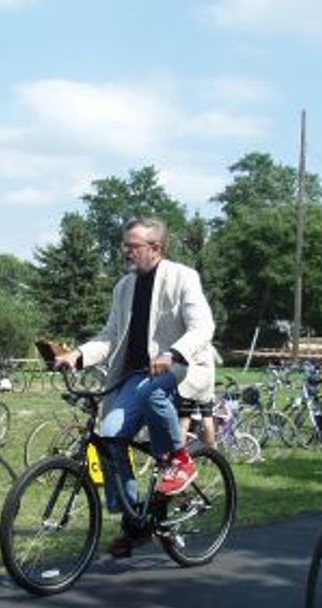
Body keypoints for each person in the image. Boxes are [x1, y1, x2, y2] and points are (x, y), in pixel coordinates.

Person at [54, 217, 215, 558]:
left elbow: (203, 327)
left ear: (156, 248)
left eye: (133, 246)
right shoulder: (124, 286)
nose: (126, 252)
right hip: (133, 377)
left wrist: (173, 353)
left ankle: (179, 459)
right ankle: (135, 522)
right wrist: (77, 355)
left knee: (156, 390)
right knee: (110, 438)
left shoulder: (183, 277)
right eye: (124, 246)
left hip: (179, 367)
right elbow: (111, 337)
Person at [176, 345, 223, 449]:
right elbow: (220, 361)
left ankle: (178, 453)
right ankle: (212, 453)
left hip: (190, 388)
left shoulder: (189, 346)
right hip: (206, 388)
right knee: (207, 420)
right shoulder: (210, 347)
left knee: (183, 422)